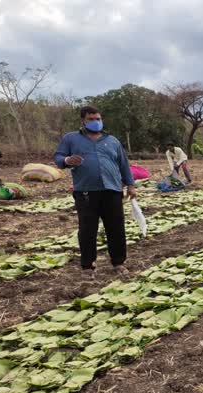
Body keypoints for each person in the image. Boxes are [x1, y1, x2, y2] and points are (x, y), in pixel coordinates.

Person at [54, 106, 136, 274]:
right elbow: (58, 157)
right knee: (87, 229)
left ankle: (118, 263)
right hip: (85, 191)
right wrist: (68, 160)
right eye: (91, 119)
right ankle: (88, 264)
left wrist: (131, 185)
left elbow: (123, 164)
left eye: (98, 119)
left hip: (112, 189)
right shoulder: (71, 139)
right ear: (83, 121)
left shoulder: (112, 140)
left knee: (116, 227)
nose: (95, 122)